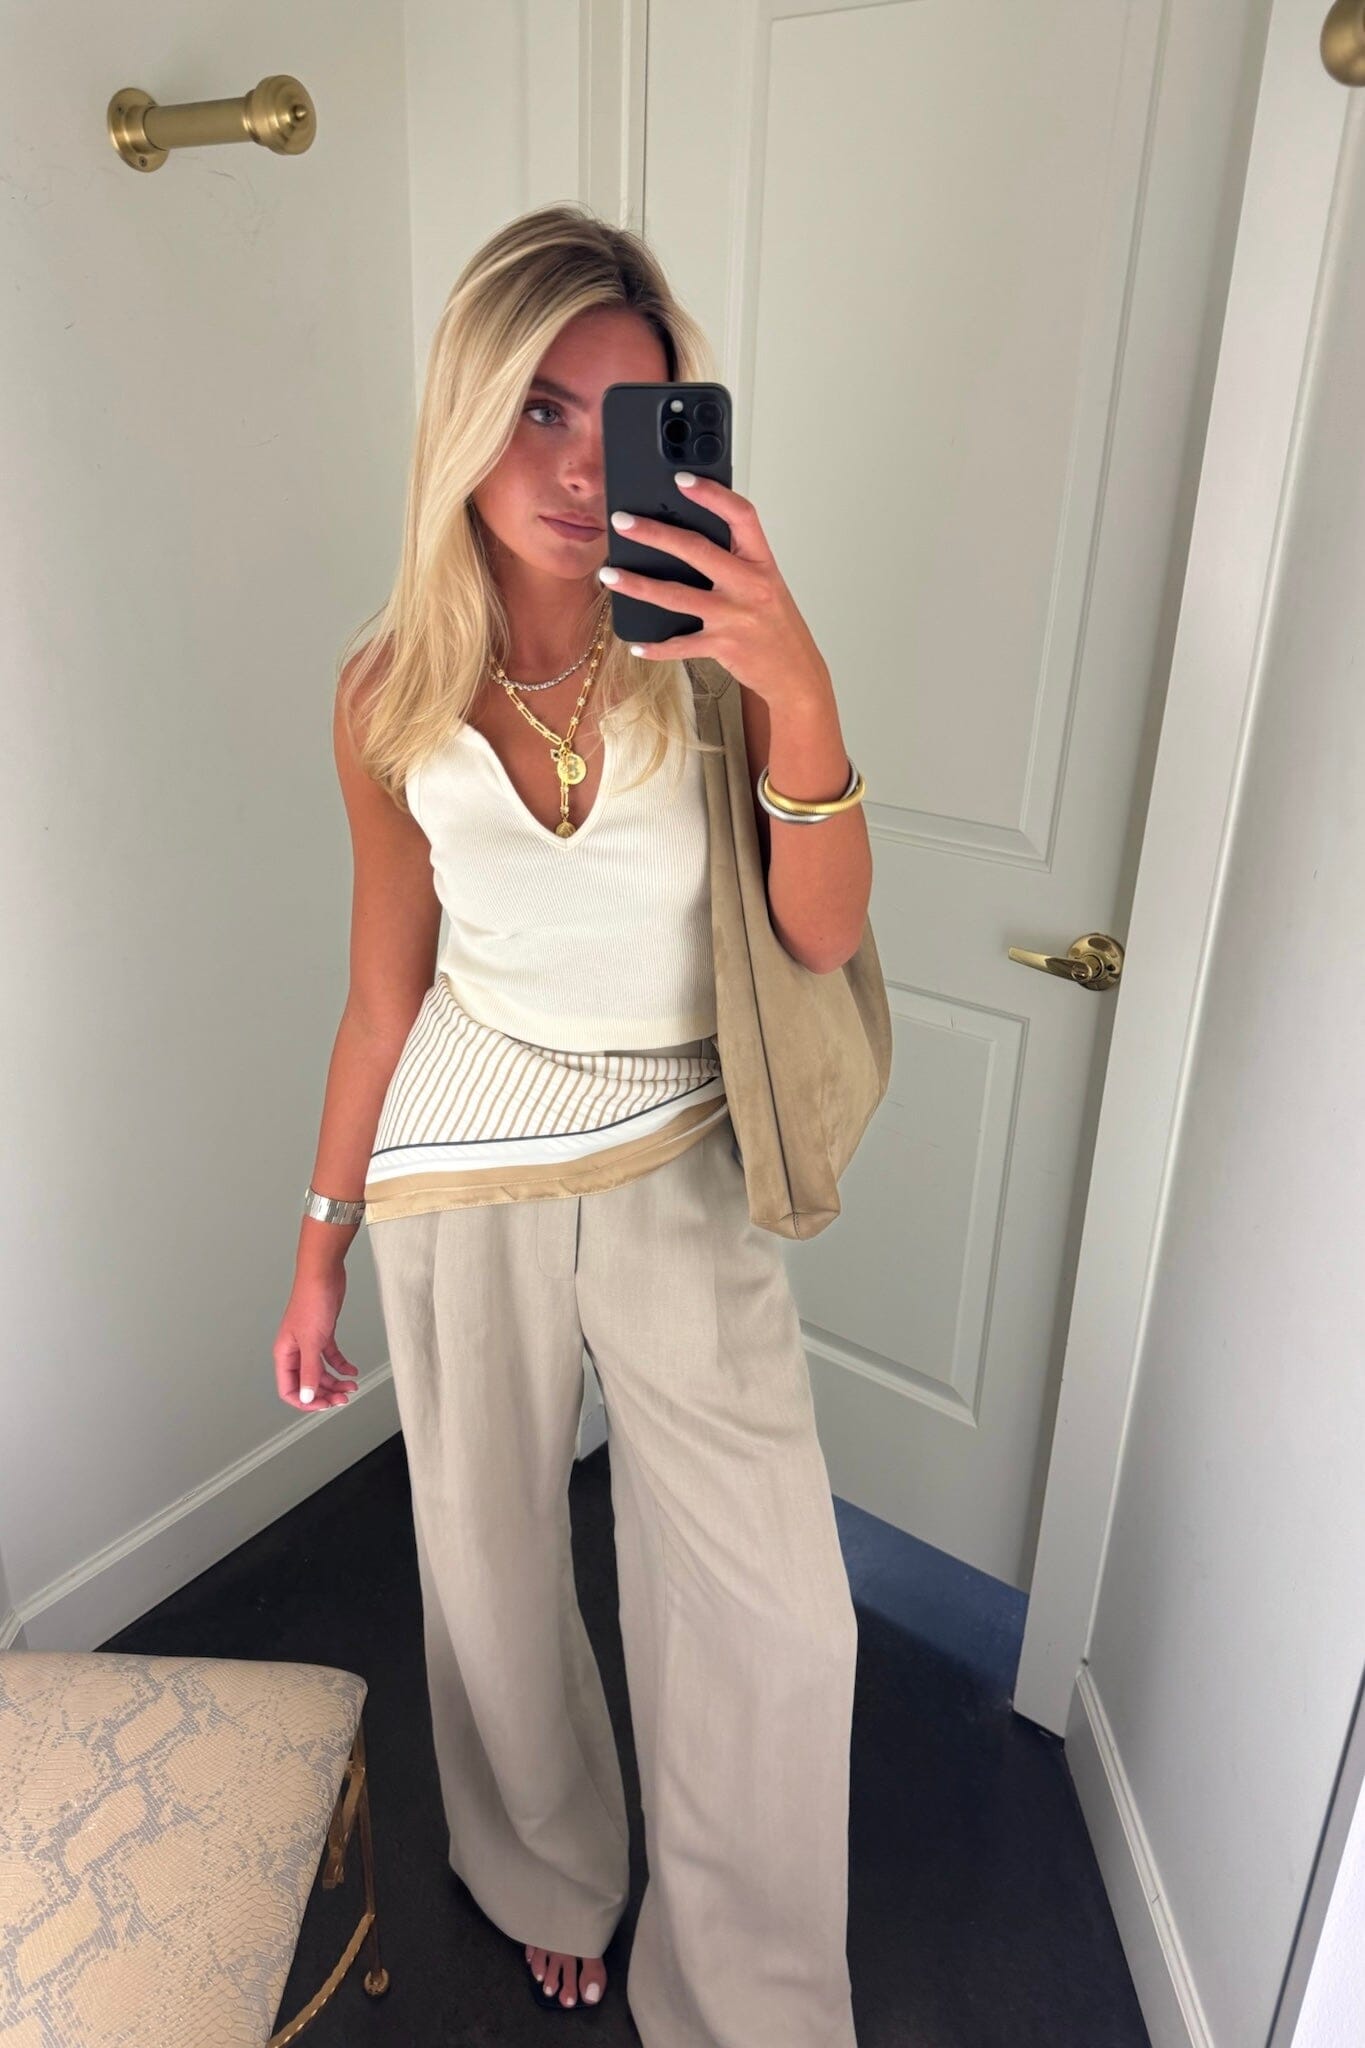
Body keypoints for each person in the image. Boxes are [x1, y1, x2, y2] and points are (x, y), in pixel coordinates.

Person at [271, 202, 873, 2047]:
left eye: (616, 418)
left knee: (776, 1617)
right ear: (461, 412)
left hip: (679, 1144)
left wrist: (796, 685)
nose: (573, 464)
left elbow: (819, 935)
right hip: (462, 1155)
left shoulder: (712, 652)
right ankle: (544, 1870)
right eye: (533, 407)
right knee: (487, 1554)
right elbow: (384, 995)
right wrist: (318, 1248)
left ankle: (749, 1992)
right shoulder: (386, 690)